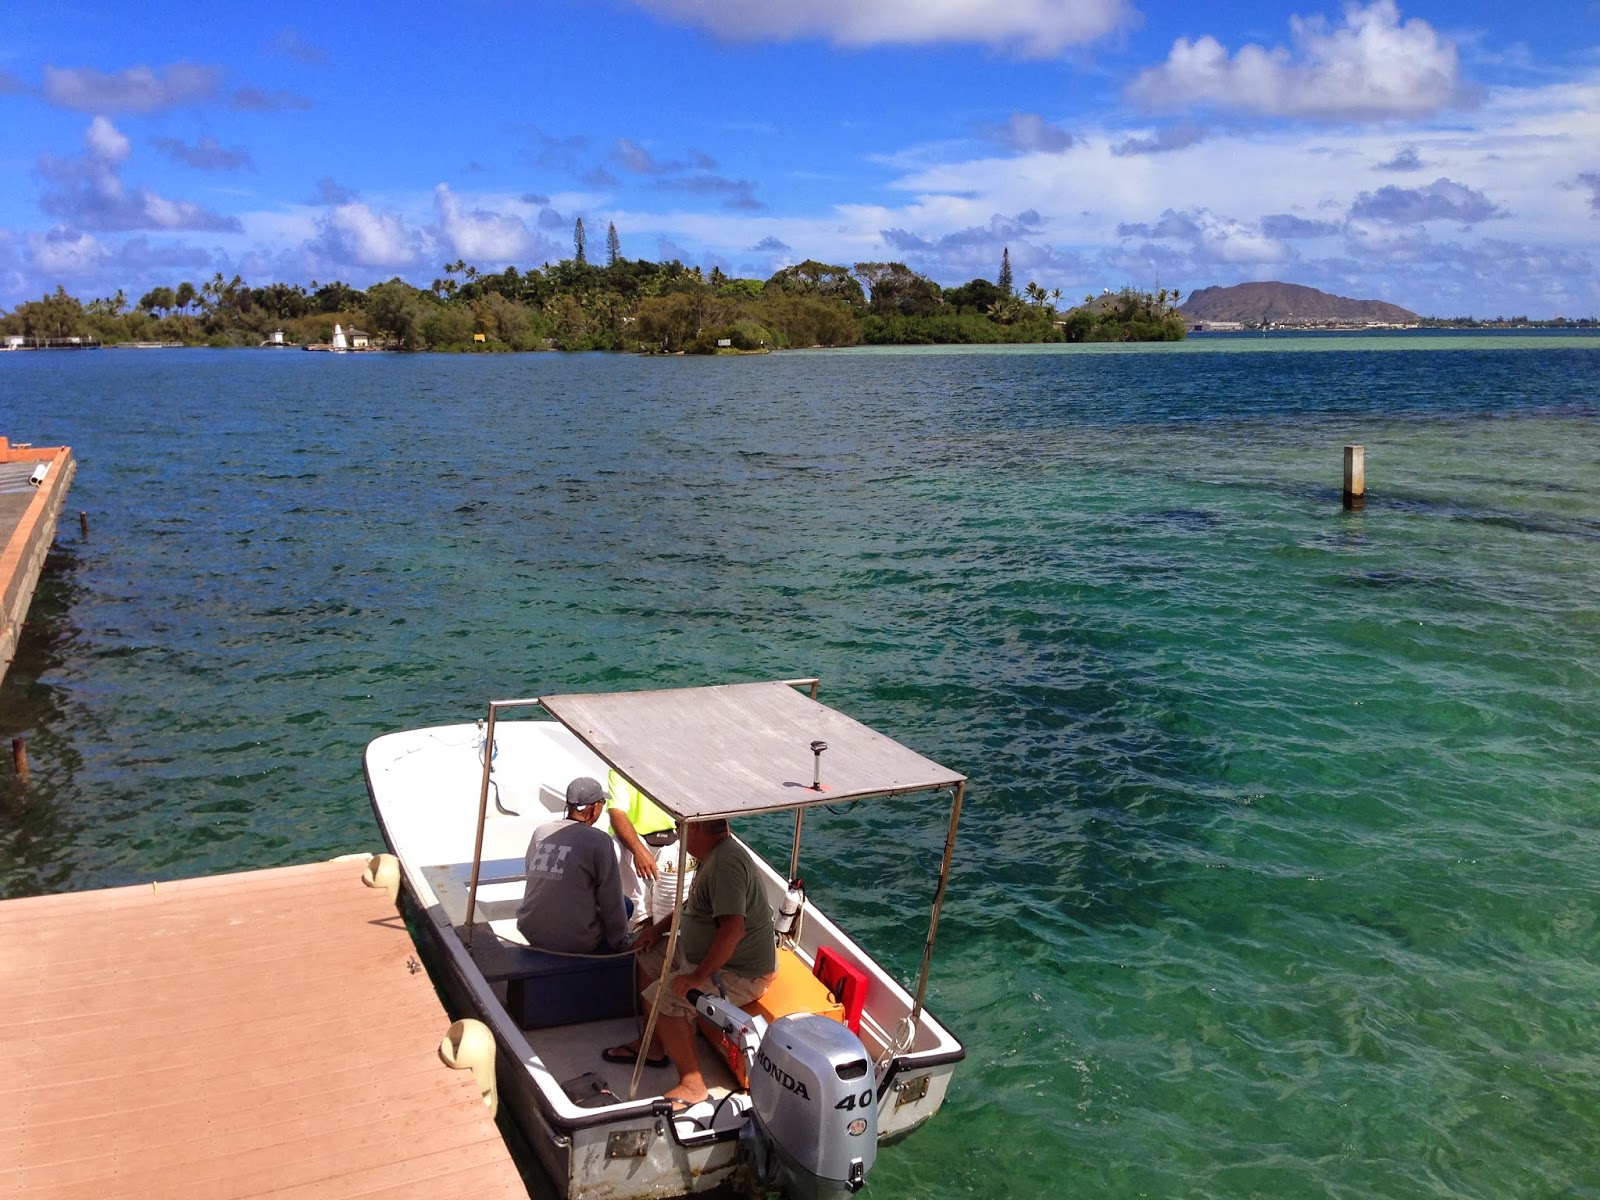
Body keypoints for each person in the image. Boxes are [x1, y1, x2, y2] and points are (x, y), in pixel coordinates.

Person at [602, 819, 776, 1106]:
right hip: (700, 952)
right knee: (648, 956)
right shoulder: (711, 856)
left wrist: (697, 977)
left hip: (740, 972)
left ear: (695, 829)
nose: (677, 833)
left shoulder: (725, 864)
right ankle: (655, 1044)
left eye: (679, 826)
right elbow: (691, 906)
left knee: (668, 996)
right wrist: (657, 930)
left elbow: (733, 929)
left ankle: (693, 1084)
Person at [514, 777, 630, 955]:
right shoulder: (598, 841)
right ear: (594, 808)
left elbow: (531, 871)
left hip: (531, 930)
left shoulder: (541, 832)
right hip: (575, 941)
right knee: (625, 904)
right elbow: (611, 898)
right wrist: (621, 943)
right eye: (602, 803)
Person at [603, 768, 676, 921]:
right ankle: (638, 923)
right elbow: (617, 813)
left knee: (668, 908)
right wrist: (638, 850)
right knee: (638, 910)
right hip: (633, 840)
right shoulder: (620, 767)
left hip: (674, 836)